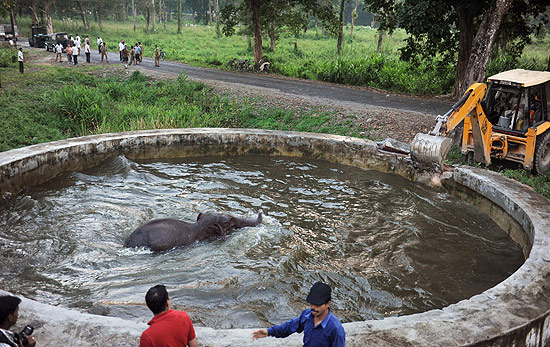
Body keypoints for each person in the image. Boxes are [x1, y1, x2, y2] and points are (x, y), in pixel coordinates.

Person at [252, 282, 345, 347]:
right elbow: (289, 327)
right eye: (311, 303)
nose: (313, 307)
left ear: (328, 303)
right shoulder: (307, 315)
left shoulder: (335, 328)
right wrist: (269, 332)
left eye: (317, 305)